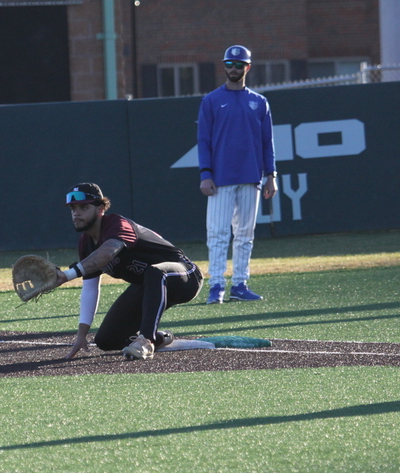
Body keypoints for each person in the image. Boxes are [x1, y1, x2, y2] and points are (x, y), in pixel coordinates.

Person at [55, 183, 203, 360]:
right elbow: (90, 288)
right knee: (106, 340)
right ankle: (160, 338)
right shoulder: (85, 243)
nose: (76, 213)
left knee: (155, 272)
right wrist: (81, 335)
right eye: (73, 208)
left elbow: (107, 252)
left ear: (101, 209)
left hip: (184, 277)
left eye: (83, 207)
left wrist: (68, 274)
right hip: (150, 288)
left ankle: (146, 340)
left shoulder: (118, 224)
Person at [197, 44, 278, 305]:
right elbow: (203, 141)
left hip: (251, 177)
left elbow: (268, 142)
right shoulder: (211, 100)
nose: (233, 69)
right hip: (220, 178)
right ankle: (217, 285)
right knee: (218, 233)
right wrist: (205, 174)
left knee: (245, 234)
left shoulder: (259, 101)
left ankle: (240, 284)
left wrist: (271, 175)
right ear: (224, 67)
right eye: (229, 65)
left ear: (247, 68)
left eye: (239, 65)